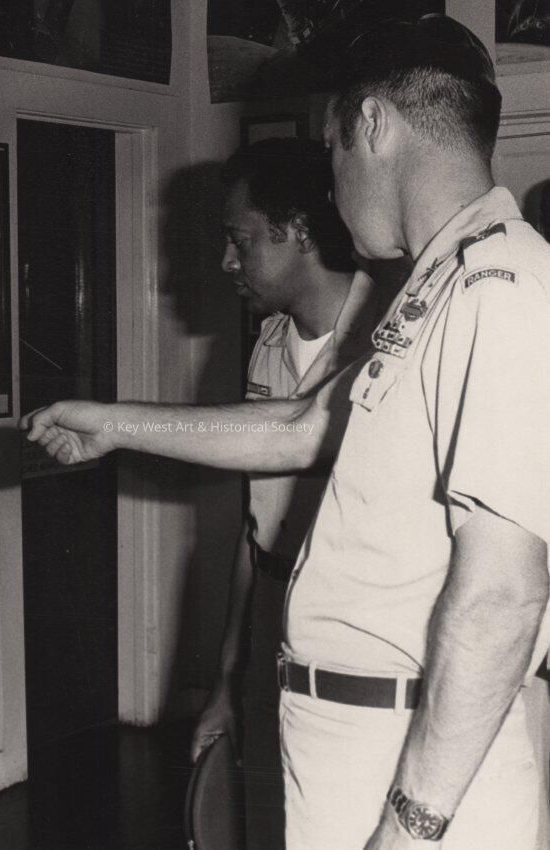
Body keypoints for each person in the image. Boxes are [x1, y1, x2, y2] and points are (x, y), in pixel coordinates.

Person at [22, 14, 550, 849]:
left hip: (413, 760)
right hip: (359, 738)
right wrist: (112, 424)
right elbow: (304, 426)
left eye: (333, 145)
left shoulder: (500, 286)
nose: (332, 184)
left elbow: (503, 591)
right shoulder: (436, 287)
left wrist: (411, 827)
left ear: (371, 124)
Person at [188, 138, 387, 850]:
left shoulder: (389, 340)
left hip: (356, 638)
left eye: (240, 240)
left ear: (297, 231)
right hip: (271, 624)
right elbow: (257, 537)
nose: (226, 261)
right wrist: (226, 680)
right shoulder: (266, 343)